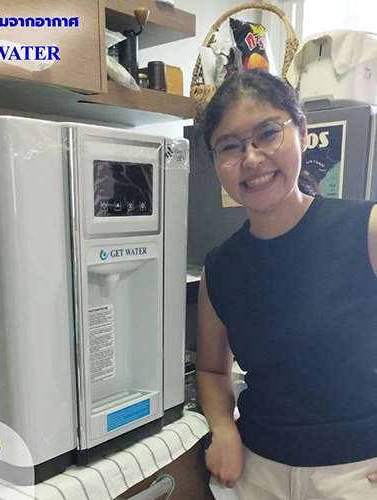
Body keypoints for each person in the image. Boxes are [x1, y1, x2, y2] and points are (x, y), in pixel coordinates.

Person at [195, 69, 377, 500]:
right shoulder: (219, 267)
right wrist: (223, 430)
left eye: (267, 133)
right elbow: (211, 369)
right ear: (217, 163)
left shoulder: (366, 229)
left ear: (302, 133)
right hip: (257, 473)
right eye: (230, 146)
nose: (251, 158)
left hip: (356, 473)